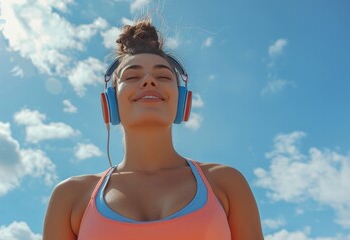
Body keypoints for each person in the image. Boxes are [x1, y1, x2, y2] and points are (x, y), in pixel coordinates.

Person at [43, 19, 263, 240]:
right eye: (132, 76)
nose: (149, 80)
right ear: (109, 103)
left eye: (163, 76)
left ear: (183, 102)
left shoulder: (226, 183)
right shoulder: (69, 196)